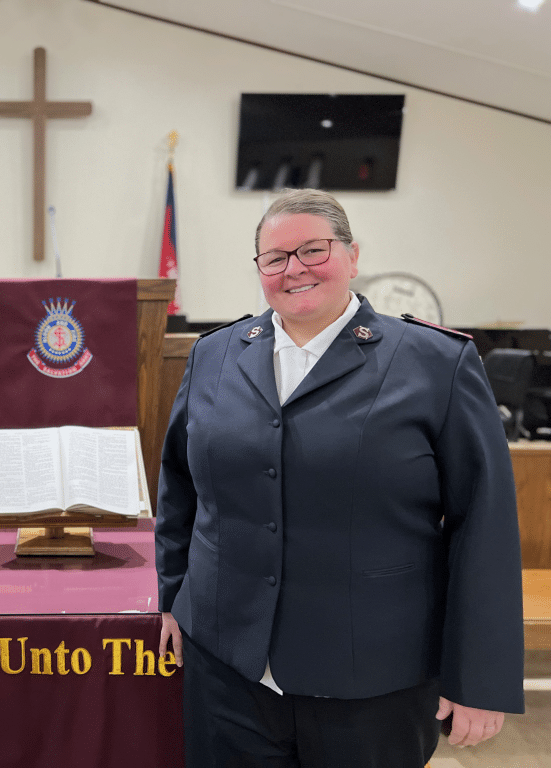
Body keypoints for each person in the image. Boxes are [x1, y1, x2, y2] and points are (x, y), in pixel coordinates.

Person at [156, 188, 524, 767]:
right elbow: (180, 486)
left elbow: (485, 523)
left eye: (313, 250)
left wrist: (480, 676)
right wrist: (175, 597)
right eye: (274, 258)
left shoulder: (434, 363)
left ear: (353, 256)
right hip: (229, 672)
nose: (293, 269)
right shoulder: (215, 355)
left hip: (372, 683)